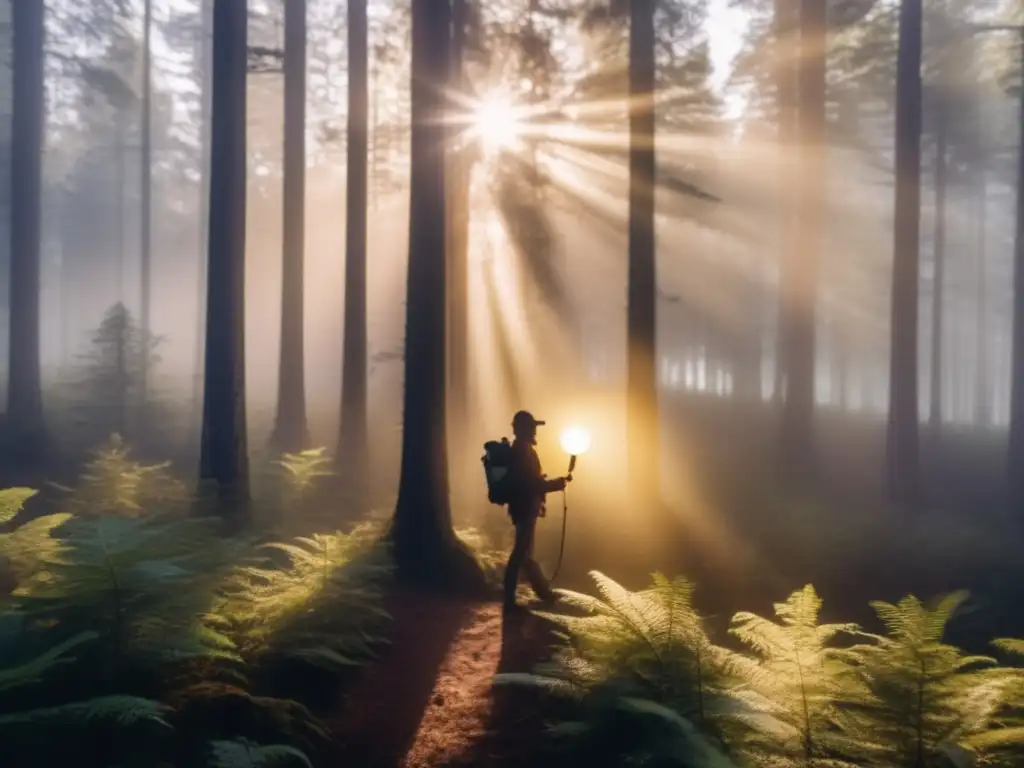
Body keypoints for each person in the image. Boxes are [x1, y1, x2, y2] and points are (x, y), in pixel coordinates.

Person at [503, 410, 572, 614]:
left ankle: (542, 592)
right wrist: (556, 484)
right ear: (523, 429)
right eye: (532, 426)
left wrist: (543, 492)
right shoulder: (522, 451)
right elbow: (530, 483)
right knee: (520, 554)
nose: (535, 430)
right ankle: (514, 599)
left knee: (525, 554)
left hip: (525, 507)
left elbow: (530, 481)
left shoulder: (522, 449)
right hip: (524, 509)